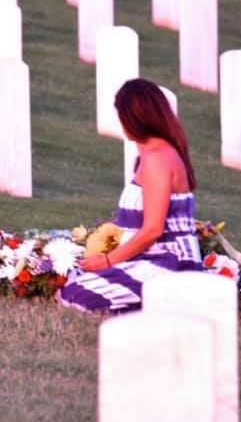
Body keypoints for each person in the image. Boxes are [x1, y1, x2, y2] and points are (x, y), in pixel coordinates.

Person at [59, 78, 202, 313]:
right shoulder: (152, 155)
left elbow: (153, 229)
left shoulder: (157, 159)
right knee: (74, 281)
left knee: (76, 296)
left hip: (169, 263)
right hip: (149, 259)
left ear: (132, 118)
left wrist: (107, 261)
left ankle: (158, 305)